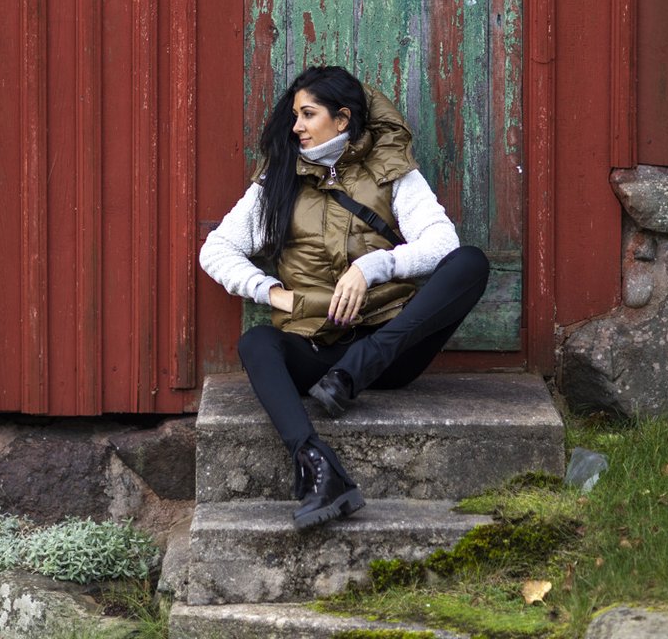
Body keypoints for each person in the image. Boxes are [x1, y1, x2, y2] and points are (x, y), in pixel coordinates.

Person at [199, 65, 490, 530]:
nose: (296, 126)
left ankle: (356, 371)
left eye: (308, 114)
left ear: (342, 119)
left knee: (470, 262)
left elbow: (442, 244)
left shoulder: (390, 171)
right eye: (295, 115)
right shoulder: (279, 179)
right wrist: (271, 292)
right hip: (319, 351)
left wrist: (371, 267)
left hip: (388, 352)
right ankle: (317, 466)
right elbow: (216, 250)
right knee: (257, 344)